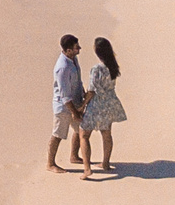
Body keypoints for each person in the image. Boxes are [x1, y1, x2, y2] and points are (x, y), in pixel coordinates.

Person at [79, 37, 127, 176]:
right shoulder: (113, 66)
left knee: (84, 135)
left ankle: (87, 168)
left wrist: (82, 106)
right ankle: (105, 163)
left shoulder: (97, 68)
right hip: (110, 103)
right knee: (106, 134)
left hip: (97, 104)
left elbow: (92, 90)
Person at [46, 35, 84, 173]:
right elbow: (65, 95)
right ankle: (50, 164)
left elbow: (78, 81)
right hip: (64, 107)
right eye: (76, 47)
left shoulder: (73, 59)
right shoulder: (62, 68)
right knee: (58, 134)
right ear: (68, 50)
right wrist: (74, 112)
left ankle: (74, 156)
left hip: (76, 102)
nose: (79, 49)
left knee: (81, 129)